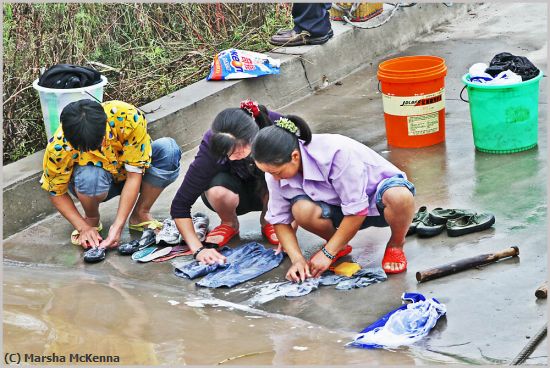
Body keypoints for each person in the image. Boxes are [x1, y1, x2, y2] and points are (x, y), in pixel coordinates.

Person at [251, 116, 416, 282]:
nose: (275, 178)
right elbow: (279, 220)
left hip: (377, 204)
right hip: (339, 208)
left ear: (294, 156)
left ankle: (396, 244)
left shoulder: (336, 153)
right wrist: (297, 260)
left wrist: (327, 253)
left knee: (399, 197)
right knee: (301, 209)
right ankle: (338, 245)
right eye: (269, 173)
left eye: (277, 172)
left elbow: (357, 211)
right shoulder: (273, 173)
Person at [40, 99, 182, 249]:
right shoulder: (58, 146)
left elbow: (134, 176)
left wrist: (118, 226)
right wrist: (82, 227)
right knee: (89, 176)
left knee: (169, 149)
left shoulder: (128, 117)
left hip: (134, 175)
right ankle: (91, 219)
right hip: (95, 184)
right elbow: (56, 191)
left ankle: (140, 214)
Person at [170, 100, 283, 265]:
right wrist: (198, 250)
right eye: (227, 153)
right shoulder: (212, 143)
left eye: (237, 151)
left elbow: (300, 182)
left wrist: (289, 232)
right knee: (217, 190)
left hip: (270, 192)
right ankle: (229, 222)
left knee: (279, 174)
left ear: (253, 138)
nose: (231, 156)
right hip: (231, 193)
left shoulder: (276, 128)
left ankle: (270, 219)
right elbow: (180, 206)